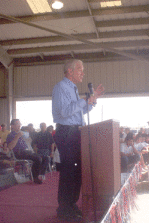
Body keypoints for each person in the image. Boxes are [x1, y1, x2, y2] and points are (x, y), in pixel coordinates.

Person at [52, 59, 105, 221]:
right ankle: (64, 209)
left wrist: (92, 100)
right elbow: (64, 112)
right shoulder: (61, 87)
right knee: (69, 171)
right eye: (80, 69)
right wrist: (84, 100)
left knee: (76, 170)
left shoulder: (72, 88)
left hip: (75, 132)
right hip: (67, 132)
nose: (83, 72)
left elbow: (79, 111)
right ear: (70, 71)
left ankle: (71, 204)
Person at [6, 119, 43, 184]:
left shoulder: (21, 134)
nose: (19, 125)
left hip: (27, 151)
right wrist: (17, 136)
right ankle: (35, 177)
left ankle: (40, 174)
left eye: (20, 124)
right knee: (38, 158)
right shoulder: (10, 135)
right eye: (17, 124)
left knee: (45, 158)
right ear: (12, 126)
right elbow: (10, 147)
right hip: (19, 153)